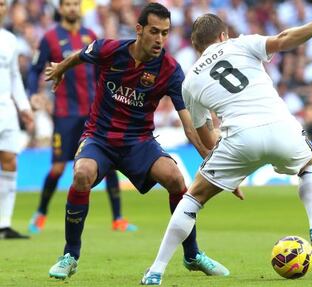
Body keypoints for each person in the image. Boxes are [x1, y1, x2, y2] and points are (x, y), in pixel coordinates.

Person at [142, 7, 312, 285]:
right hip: (281, 126)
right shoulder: (240, 43)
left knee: (192, 199)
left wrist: (228, 170)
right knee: (309, 164)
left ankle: (156, 270)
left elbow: (205, 134)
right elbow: (284, 38)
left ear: (195, 46)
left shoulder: (189, 82)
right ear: (223, 35)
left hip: (239, 137)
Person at [46, 2, 229, 280]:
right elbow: (81, 56)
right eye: (154, 31)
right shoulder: (111, 50)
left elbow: (189, 125)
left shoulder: (170, 69)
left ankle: (192, 255)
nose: (159, 39)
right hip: (100, 136)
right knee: (82, 174)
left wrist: (210, 157)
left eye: (165, 33)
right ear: (139, 29)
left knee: (176, 179)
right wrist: (60, 68)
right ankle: (70, 254)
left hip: (138, 141)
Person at [27, 0, 137, 234]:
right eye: (68, 4)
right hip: (64, 114)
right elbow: (35, 69)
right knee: (57, 168)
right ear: (61, 8)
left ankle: (118, 218)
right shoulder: (49, 38)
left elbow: (102, 70)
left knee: (108, 166)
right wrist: (34, 94)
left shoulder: (91, 36)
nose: (72, 8)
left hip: (93, 114)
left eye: (76, 4)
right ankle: (40, 214)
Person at [0, 0, 34, 239]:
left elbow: (13, 76)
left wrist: (23, 107)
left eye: (2, 4)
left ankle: (4, 223)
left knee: (10, 161)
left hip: (6, 109)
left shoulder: (10, 40)